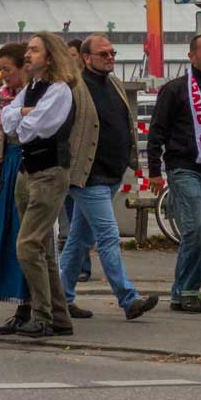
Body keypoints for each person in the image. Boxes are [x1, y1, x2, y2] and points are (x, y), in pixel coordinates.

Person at [57, 34, 157, 321]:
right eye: (103, 54)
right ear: (86, 58)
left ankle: (61, 297)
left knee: (78, 240)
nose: (110, 57)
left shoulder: (113, 83)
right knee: (108, 236)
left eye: (112, 52)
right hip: (89, 178)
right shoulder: (74, 88)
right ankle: (128, 299)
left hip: (111, 174)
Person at [0, 33, 80, 339]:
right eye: (28, 50)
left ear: (49, 57)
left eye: (34, 50)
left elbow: (34, 130)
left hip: (49, 171)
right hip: (29, 170)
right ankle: (59, 317)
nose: (28, 55)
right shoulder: (31, 89)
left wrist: (18, 120)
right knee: (42, 248)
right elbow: (7, 120)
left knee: (28, 245)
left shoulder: (59, 90)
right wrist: (20, 114)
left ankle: (42, 315)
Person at [147, 34, 201, 313]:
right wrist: (155, 172)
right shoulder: (175, 90)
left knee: (199, 232)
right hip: (183, 168)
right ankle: (188, 292)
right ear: (191, 56)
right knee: (198, 226)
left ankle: (181, 293)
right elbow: (156, 131)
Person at [0, 42, 32, 329]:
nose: (3, 75)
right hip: (8, 166)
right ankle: (24, 302)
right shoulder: (6, 97)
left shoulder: (41, 93)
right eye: (0, 69)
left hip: (25, 164)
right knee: (6, 234)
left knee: (26, 237)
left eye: (7, 69)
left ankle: (32, 303)